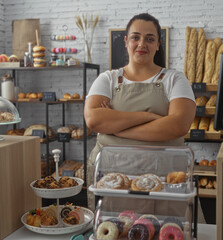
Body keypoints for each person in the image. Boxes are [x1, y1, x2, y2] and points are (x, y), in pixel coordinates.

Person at [84, 13, 196, 212]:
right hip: (111, 175)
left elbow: (178, 125)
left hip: (165, 176)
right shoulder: (107, 79)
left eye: (150, 39)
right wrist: (149, 117)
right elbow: (94, 119)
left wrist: (118, 129)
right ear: (126, 42)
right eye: (135, 37)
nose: (142, 43)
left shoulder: (175, 79)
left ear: (158, 44)